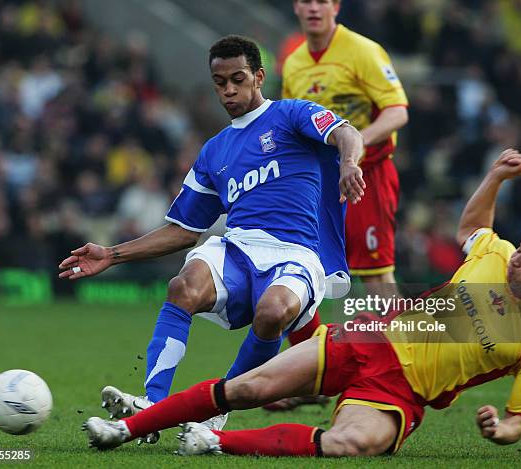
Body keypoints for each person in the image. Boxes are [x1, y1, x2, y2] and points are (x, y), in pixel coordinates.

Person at [82, 149, 521, 457]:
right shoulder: (497, 253)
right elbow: (473, 228)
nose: (517, 259)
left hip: (401, 393)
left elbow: (520, 420)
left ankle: (214, 440)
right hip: (370, 339)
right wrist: (494, 177)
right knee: (247, 389)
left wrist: (500, 430)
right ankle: (124, 429)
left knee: (350, 444)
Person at [59, 35, 364, 435]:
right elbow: (184, 231)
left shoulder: (291, 115)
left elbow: (347, 133)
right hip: (237, 248)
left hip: (296, 253)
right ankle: (151, 404)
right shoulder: (214, 152)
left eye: (238, 79)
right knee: (183, 286)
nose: (229, 90)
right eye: (220, 82)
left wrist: (349, 164)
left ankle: (220, 406)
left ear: (258, 77)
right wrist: (112, 255)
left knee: (273, 312)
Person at [266, 0, 410, 411]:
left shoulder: (363, 50)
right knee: (302, 270)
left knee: (376, 277)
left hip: (368, 174)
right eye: (306, 0)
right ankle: (308, 378)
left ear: (336, 6)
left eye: (322, 0)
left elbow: (398, 111)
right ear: (296, 7)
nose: (314, 7)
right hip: (319, 184)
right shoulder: (293, 62)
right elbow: (294, 122)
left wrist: (357, 140)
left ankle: (409, 368)